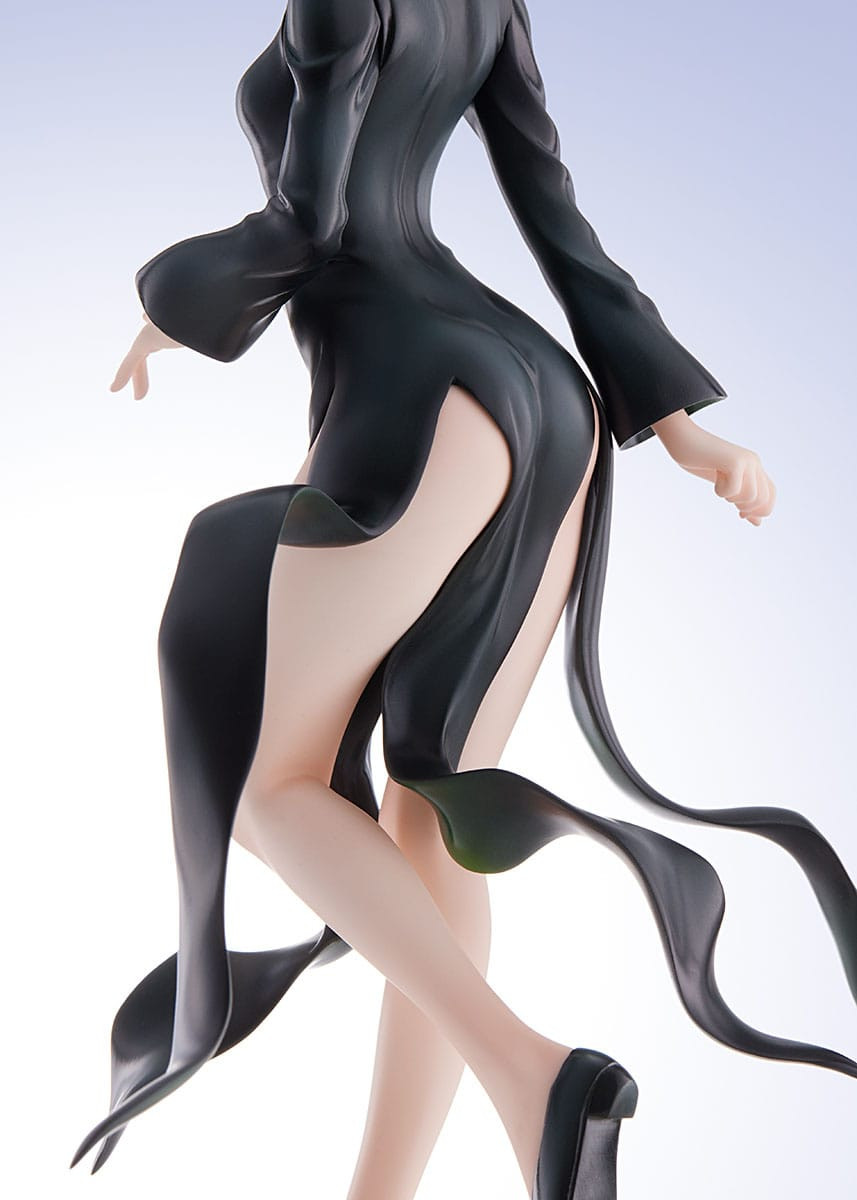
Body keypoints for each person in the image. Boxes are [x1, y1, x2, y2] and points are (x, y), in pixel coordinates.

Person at [69, 0, 857, 1196]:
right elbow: (554, 212)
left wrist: (173, 304)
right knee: (431, 812)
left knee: (268, 789)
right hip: (542, 398)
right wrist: (677, 426)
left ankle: (530, 1075)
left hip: (410, 388)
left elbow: (309, 220)